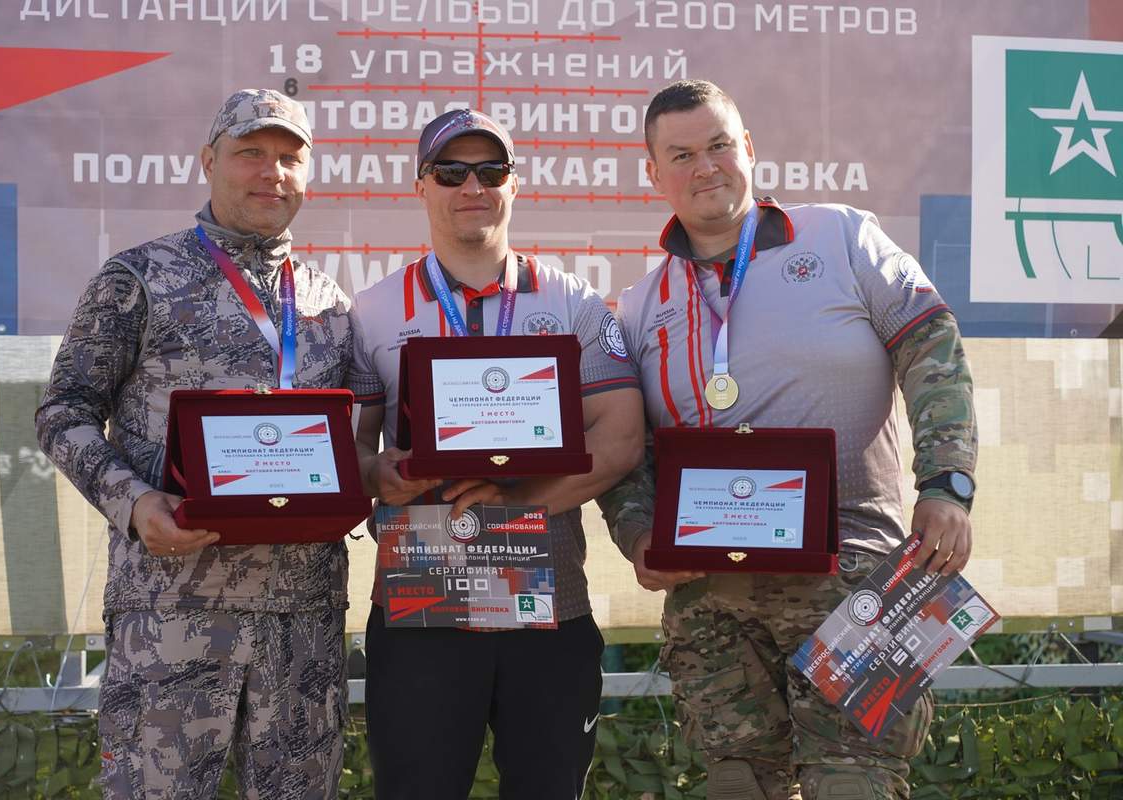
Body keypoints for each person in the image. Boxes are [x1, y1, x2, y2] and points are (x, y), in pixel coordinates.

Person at [597, 80, 978, 800]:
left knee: (854, 786)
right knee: (738, 786)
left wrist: (947, 483)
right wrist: (639, 535)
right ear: (653, 172)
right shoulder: (641, 305)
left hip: (858, 575)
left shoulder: (842, 237)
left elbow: (934, 350)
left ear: (748, 148)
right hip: (711, 600)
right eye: (681, 154)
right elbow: (627, 449)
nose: (705, 167)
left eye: (719, 145)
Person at [36, 89, 353, 799]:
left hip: (301, 621)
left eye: (289, 158)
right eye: (251, 153)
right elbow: (63, 411)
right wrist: (135, 503)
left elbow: (350, 445)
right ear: (209, 161)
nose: (271, 172)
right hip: (172, 613)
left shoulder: (330, 304)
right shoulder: (138, 279)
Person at [344, 108, 644, 800]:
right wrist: (377, 473)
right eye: (451, 171)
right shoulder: (373, 310)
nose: (472, 186)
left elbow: (622, 438)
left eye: (491, 170)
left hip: (549, 606)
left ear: (515, 183)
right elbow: (352, 449)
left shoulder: (573, 303)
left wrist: (519, 500)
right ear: (421, 185)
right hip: (421, 602)